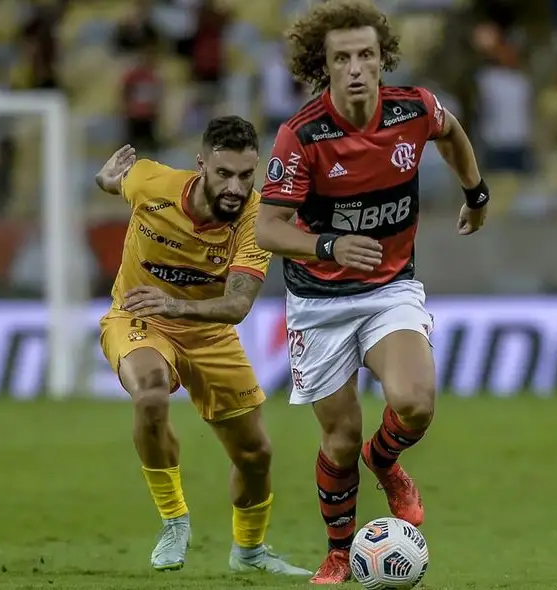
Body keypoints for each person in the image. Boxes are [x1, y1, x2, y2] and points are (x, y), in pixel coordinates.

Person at [254, 1, 489, 583]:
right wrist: (329, 245)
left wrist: (476, 192)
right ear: (324, 67)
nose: (356, 67)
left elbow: (451, 132)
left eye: (366, 55)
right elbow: (267, 229)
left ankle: (383, 462)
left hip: (389, 287)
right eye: (342, 58)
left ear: (382, 59)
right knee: (340, 435)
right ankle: (339, 552)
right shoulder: (302, 135)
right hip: (319, 301)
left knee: (415, 401)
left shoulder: (414, 109)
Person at [94, 116, 311, 578]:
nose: (235, 187)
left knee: (256, 455)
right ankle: (174, 520)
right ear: (201, 166)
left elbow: (236, 306)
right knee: (150, 391)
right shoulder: (153, 182)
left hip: (210, 332)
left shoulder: (259, 219)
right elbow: (112, 180)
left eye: (246, 175)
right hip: (138, 318)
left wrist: (173, 301)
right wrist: (106, 176)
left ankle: (249, 552)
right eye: (224, 174)